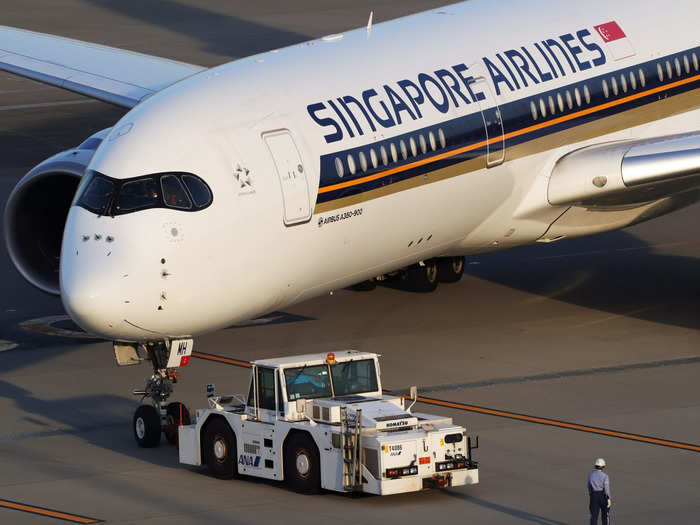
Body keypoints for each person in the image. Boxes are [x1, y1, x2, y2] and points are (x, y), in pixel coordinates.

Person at [588, 458, 611, 525]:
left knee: (594, 516)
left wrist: (591, 495)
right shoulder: (605, 476)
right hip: (603, 496)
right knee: (605, 515)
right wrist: (608, 498)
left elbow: (589, 486)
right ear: (603, 466)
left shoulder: (591, 475)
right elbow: (607, 489)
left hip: (594, 495)